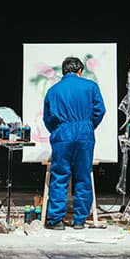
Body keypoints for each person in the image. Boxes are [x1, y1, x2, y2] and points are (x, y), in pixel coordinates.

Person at [42, 56, 105, 230]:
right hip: (84, 132)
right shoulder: (90, 86)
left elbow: (47, 118)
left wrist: (57, 130)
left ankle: (56, 220)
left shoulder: (53, 91)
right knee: (83, 176)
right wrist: (89, 126)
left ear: (63, 71)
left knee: (60, 176)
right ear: (80, 71)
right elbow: (100, 110)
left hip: (62, 133)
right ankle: (79, 220)